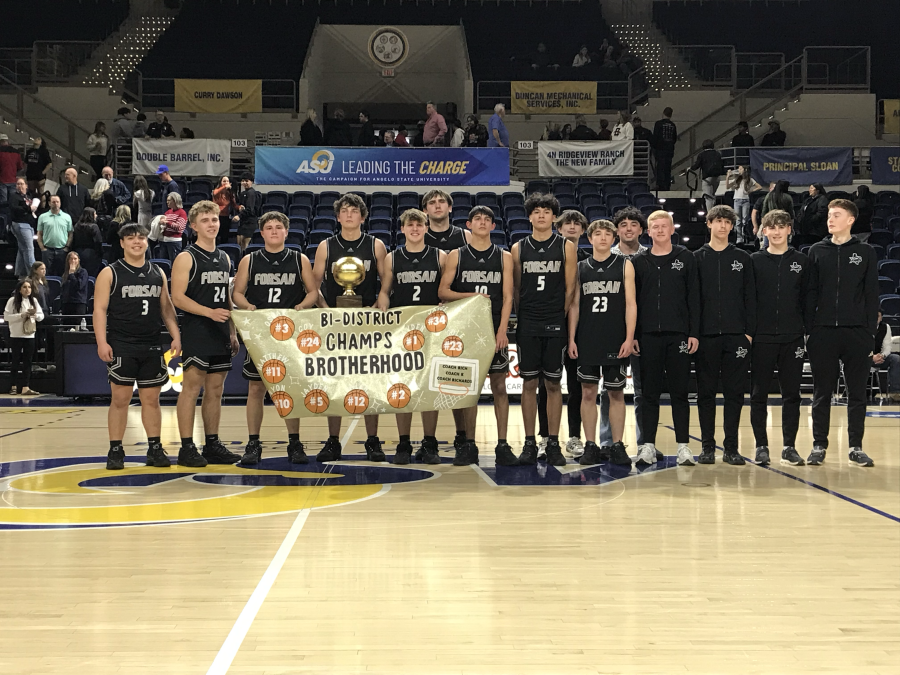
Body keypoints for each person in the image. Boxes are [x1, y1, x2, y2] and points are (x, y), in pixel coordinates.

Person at [232, 212, 319, 466]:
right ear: (261, 233)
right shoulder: (249, 260)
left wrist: (302, 307)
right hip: (261, 334)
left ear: (286, 232)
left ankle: (294, 442)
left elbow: (313, 292)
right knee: (256, 389)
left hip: (289, 335)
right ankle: (253, 443)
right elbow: (237, 293)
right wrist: (247, 306)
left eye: (278, 227)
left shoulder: (298, 259)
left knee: (288, 390)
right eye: (268, 227)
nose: (273, 231)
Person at [93, 223, 181, 470]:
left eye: (141, 238)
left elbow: (167, 309)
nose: (137, 242)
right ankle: (115, 450)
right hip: (122, 344)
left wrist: (176, 336)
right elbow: (99, 310)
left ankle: (154, 448)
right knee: (120, 399)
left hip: (152, 344)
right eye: (130, 238)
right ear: (122, 243)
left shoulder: (158, 272)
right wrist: (102, 341)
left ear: (147, 242)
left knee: (152, 400)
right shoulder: (110, 273)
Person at [312, 193, 388, 462]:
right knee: (335, 384)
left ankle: (372, 441)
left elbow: (386, 282)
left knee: (369, 383)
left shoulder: (376, 245)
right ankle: (333, 441)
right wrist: (327, 311)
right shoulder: (326, 246)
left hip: (367, 325)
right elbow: (314, 285)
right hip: (336, 326)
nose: (348, 214)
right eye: (343, 210)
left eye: (353, 210)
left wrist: (378, 305)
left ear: (362, 216)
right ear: (337, 216)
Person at [805, 199, 878, 468]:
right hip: (823, 332)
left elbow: (872, 294)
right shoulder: (816, 251)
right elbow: (810, 292)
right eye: (829, 215)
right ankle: (818, 445)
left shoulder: (866, 252)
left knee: (857, 393)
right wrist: (810, 328)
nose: (830, 219)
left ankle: (855, 447)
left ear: (850, 220)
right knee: (822, 393)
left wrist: (869, 332)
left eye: (836, 215)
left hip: (857, 333)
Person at [439, 206, 514, 466]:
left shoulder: (503, 256)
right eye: (478, 219)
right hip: (465, 332)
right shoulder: (456, 255)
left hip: (493, 330)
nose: (482, 222)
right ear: (469, 225)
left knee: (499, 387)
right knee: (468, 391)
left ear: (493, 226)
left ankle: (502, 445)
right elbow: (443, 291)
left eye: (487, 219)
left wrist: (503, 330)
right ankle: (468, 444)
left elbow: (507, 297)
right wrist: (470, 296)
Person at [171, 201, 241, 467]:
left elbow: (227, 299)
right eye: (205, 220)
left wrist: (232, 331)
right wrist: (208, 312)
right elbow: (177, 297)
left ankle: (212, 443)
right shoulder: (186, 257)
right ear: (193, 226)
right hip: (197, 329)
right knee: (191, 388)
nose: (212, 224)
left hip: (221, 330)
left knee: (215, 390)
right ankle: (186, 447)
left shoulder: (224, 258)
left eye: (215, 219)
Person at [375, 208, 446, 465]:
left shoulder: (440, 256)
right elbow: (385, 291)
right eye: (410, 225)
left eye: (419, 225)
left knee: (429, 388)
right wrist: (380, 304)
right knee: (401, 388)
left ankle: (429, 442)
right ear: (402, 229)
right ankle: (403, 442)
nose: (415, 229)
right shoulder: (393, 258)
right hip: (402, 332)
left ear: (426, 228)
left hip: (431, 332)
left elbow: (446, 291)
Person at [512, 193, 576, 467]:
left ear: (554, 217)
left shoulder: (566, 247)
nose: (541, 215)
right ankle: (529, 442)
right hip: (528, 323)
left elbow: (570, 288)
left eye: (546, 211)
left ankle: (552, 442)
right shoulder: (518, 248)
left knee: (552, 384)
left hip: (554, 323)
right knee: (528, 384)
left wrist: (555, 314)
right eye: (536, 211)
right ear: (529, 217)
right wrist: (527, 315)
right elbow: (515, 289)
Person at [631, 211, 700, 467]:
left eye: (664, 226)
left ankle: (683, 446)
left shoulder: (686, 257)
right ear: (648, 232)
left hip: (679, 335)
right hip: (647, 336)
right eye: (654, 227)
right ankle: (647, 445)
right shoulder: (639, 262)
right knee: (648, 394)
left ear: (672, 229)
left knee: (680, 393)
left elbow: (694, 297)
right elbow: (633, 303)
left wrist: (693, 332)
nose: (659, 230)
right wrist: (635, 334)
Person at [569, 219, 637, 467]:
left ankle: (617, 444)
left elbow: (631, 304)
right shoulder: (580, 267)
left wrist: (629, 338)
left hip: (615, 337)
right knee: (588, 393)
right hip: (587, 338)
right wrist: (571, 338)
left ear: (613, 238)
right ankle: (590, 444)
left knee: (616, 393)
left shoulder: (624, 265)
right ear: (590, 239)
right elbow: (574, 305)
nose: (603, 238)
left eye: (608, 234)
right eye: (598, 234)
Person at [693, 205, 756, 465]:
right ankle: (707, 446)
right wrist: (694, 333)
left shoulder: (743, 258)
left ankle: (731, 447)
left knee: (734, 394)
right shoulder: (696, 258)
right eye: (718, 221)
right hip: (706, 336)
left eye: (727, 222)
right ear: (708, 224)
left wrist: (749, 333)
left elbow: (751, 297)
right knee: (706, 393)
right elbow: (692, 300)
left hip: (736, 336)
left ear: (732, 226)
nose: (722, 226)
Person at [749, 209, 810, 466]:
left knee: (791, 395)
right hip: (761, 337)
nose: (776, 231)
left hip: (792, 337)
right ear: (764, 231)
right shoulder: (754, 260)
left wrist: (805, 331)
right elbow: (748, 300)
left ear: (789, 230)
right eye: (771, 227)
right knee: (758, 394)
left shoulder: (803, 261)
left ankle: (789, 446)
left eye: (781, 226)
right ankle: (761, 445)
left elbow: (808, 299)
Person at [599, 208, 648, 453]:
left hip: (643, 332)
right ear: (617, 230)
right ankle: (607, 442)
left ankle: (645, 443)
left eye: (633, 224)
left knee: (642, 391)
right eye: (624, 225)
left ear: (641, 229)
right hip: (610, 331)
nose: (628, 228)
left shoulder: (650, 257)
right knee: (609, 390)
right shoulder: (605, 256)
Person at [553, 210, 590, 456]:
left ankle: (576, 437)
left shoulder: (589, 259)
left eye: (577, 223)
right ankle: (548, 438)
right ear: (559, 228)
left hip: (583, 331)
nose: (572, 227)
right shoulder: (551, 256)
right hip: (553, 328)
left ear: (584, 230)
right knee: (549, 386)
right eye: (568, 223)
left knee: (578, 388)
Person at [4, 278, 43, 396]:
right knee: (15, 361)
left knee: (28, 362)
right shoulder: (12, 301)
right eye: (25, 287)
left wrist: (34, 315)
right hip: (16, 334)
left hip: (29, 335)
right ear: (20, 289)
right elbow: (6, 317)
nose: (27, 290)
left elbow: (41, 316)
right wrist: (21, 315)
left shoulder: (34, 301)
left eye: (29, 287)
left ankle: (25, 386)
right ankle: (13, 386)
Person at [36, 194, 73, 276]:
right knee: (46, 274)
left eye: (57, 202)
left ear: (60, 203)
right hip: (47, 250)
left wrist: (67, 247)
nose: (56, 204)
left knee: (62, 274)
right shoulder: (42, 217)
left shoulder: (67, 217)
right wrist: (42, 248)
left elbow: (70, 233)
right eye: (53, 202)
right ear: (49, 203)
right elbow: (39, 233)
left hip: (62, 250)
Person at [725, 165, 761, 244]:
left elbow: (759, 187)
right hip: (737, 200)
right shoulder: (737, 179)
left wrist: (751, 191)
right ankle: (739, 238)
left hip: (745, 201)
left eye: (740, 168)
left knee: (745, 219)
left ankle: (745, 236)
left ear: (744, 170)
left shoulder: (749, 180)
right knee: (738, 220)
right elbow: (727, 186)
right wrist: (727, 177)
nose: (739, 170)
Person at [9, 177, 37, 277]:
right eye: (18, 184)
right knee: (29, 248)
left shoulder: (28, 196)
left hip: (28, 224)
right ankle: (33, 274)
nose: (20, 186)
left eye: (21, 184)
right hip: (20, 224)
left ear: (26, 185)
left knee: (22, 248)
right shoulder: (14, 196)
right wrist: (28, 208)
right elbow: (14, 208)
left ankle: (19, 273)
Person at [690, 140, 725, 214]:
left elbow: (697, 165)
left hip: (707, 178)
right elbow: (722, 165)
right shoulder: (717, 154)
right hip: (717, 177)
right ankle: (715, 210)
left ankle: (710, 214)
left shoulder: (702, 154)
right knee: (714, 195)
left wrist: (690, 168)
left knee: (708, 197)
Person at [873, 311, 900, 402]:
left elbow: (887, 346)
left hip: (880, 357)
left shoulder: (885, 327)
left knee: (896, 359)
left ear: (881, 317)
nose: (876, 318)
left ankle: (895, 392)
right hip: (865, 357)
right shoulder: (863, 327)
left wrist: (882, 355)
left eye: (878, 316)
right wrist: (872, 357)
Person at [71, 207, 103, 277]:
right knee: (91, 275)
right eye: (95, 214)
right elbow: (98, 241)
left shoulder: (76, 226)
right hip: (91, 254)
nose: (96, 215)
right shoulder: (94, 227)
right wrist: (100, 254)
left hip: (78, 252)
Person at [234, 172, 261, 252]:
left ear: (251, 182)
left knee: (245, 246)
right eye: (243, 181)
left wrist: (239, 216)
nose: (244, 183)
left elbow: (250, 209)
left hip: (250, 222)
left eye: (246, 181)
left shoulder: (251, 193)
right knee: (239, 244)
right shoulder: (242, 194)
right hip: (243, 222)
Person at [652, 107, 677, 190]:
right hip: (669, 150)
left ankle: (660, 185)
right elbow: (674, 138)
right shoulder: (673, 125)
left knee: (660, 167)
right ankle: (667, 185)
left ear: (663, 113)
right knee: (668, 167)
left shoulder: (658, 124)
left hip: (660, 149)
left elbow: (655, 137)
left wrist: (654, 148)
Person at [159, 192, 187, 261]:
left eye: (169, 200)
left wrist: (167, 222)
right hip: (164, 241)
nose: (167, 202)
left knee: (174, 263)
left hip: (174, 242)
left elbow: (179, 227)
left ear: (175, 201)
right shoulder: (168, 212)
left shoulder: (182, 212)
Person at [59, 251, 89, 315]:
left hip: (78, 302)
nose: (73, 261)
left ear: (78, 260)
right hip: (66, 303)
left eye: (75, 259)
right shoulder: (65, 273)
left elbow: (79, 286)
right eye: (71, 259)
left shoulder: (83, 272)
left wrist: (72, 274)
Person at [0, 134, 24, 214]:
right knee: (13, 201)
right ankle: (12, 217)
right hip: (13, 179)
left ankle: (4, 219)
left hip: (2, 180)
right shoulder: (16, 152)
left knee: (3, 202)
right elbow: (20, 167)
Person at [212, 176, 237, 244]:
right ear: (220, 182)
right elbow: (215, 193)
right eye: (224, 181)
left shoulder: (229, 193)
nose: (226, 183)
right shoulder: (216, 191)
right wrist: (224, 187)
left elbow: (233, 204)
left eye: (227, 181)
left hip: (226, 217)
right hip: (217, 216)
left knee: (225, 236)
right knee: (216, 236)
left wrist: (239, 207)